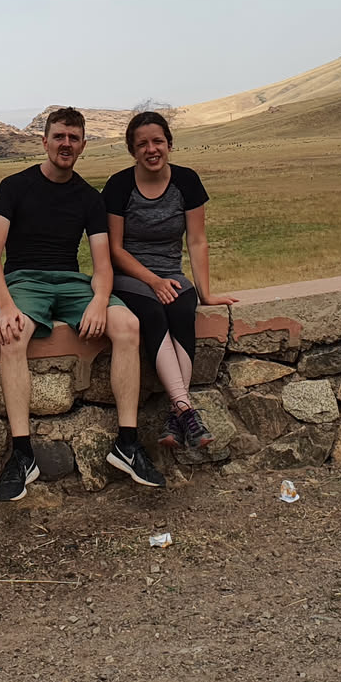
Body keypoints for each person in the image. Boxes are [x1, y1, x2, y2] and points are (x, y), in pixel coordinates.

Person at [0, 107, 162, 503]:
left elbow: (102, 264)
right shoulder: (14, 186)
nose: (66, 144)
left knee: (128, 326)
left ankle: (127, 444)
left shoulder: (88, 198)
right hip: (24, 281)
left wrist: (99, 300)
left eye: (73, 138)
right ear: (45, 141)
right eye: (59, 136)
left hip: (71, 283)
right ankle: (22, 454)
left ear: (82, 145)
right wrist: (6, 306)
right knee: (12, 337)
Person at [103, 110, 236, 451]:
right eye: (142, 144)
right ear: (132, 150)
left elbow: (197, 241)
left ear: (169, 144)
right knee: (152, 311)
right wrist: (153, 281)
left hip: (171, 274)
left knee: (181, 309)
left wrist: (205, 294)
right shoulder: (119, 185)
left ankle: (177, 415)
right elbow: (114, 250)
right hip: (129, 276)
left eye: (158, 141)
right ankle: (186, 409)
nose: (151, 149)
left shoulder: (186, 182)